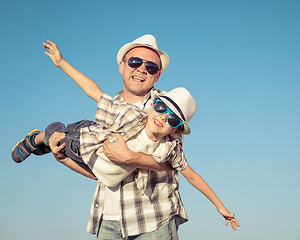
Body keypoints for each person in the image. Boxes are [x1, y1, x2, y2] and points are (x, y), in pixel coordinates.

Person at [14, 35, 239, 239]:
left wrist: (130, 157)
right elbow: (99, 171)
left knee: (66, 137)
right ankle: (39, 138)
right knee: (60, 135)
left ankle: (42, 138)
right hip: (107, 219)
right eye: (135, 62)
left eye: (151, 67)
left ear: (157, 76)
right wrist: (63, 159)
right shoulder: (121, 107)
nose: (142, 69)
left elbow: (173, 166)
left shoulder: (169, 108)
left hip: (154, 222)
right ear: (122, 66)